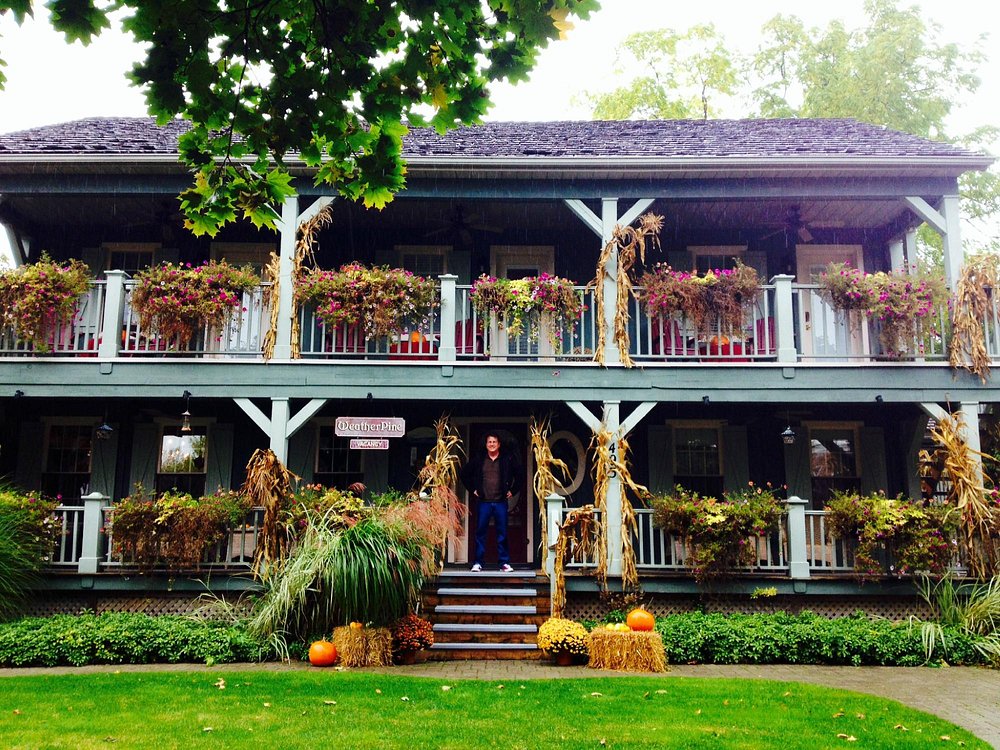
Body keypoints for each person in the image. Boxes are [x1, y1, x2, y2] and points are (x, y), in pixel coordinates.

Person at [460, 432, 521, 572]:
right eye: (489, 442)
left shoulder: (507, 459)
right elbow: (464, 473)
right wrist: (473, 489)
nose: (492, 444)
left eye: (494, 442)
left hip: (500, 502)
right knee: (480, 533)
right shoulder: (479, 460)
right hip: (484, 502)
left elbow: (519, 474)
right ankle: (478, 563)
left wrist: (513, 489)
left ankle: (504, 563)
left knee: (502, 533)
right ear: (486, 445)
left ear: (499, 444)